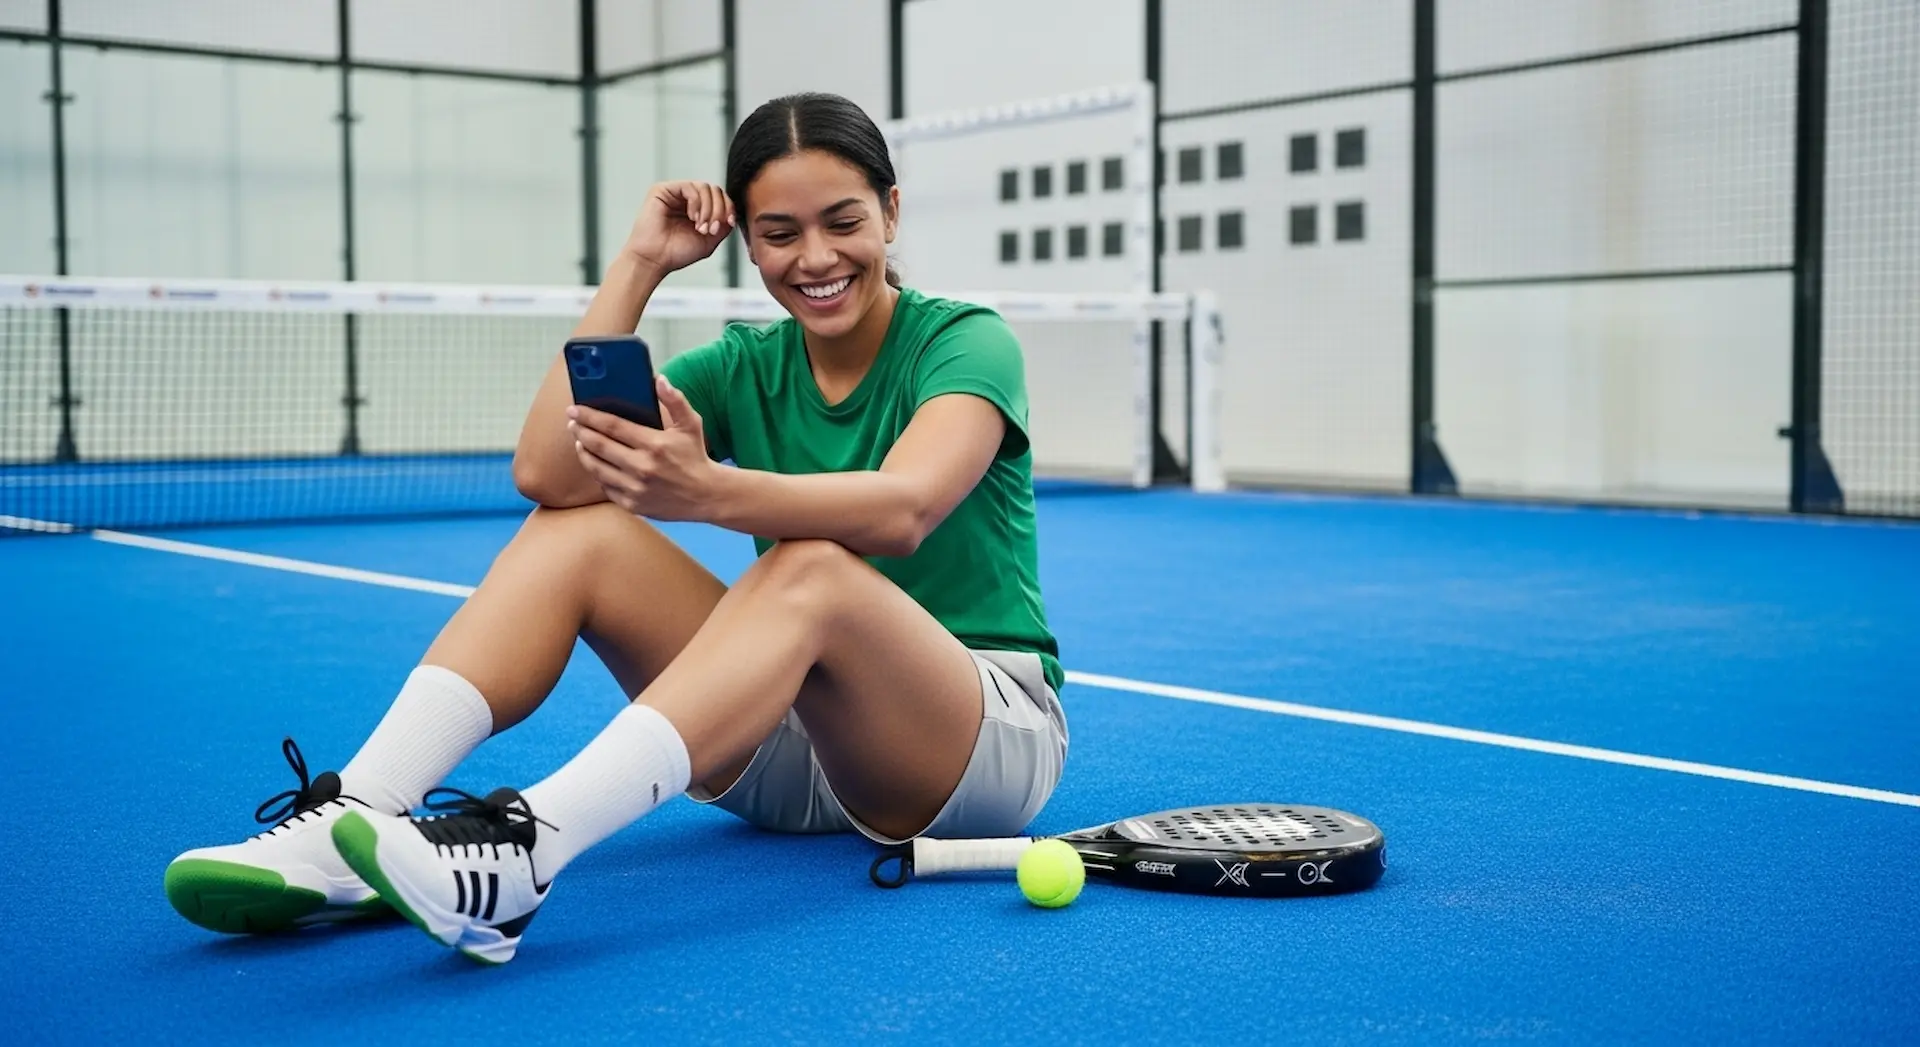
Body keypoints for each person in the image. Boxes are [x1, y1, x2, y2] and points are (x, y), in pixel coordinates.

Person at [162, 91, 1069, 964]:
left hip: (970, 748)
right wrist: (639, 263)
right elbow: (547, 473)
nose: (816, 256)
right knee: (579, 533)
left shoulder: (965, 341)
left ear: (891, 212)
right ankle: (354, 816)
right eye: (779, 233)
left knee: (814, 568)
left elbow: (905, 509)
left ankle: (525, 852)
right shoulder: (747, 364)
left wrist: (708, 490)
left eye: (843, 221)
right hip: (794, 740)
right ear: (747, 242)